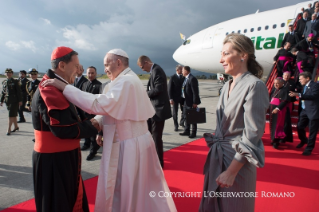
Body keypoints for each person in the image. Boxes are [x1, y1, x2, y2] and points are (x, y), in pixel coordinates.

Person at [42, 49, 177, 212]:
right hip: (130, 142)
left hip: (128, 146)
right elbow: (115, 109)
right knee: (133, 192)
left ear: (118, 63)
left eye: (107, 65)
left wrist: (65, 88)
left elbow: (100, 104)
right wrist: (100, 126)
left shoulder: (126, 81)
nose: (105, 69)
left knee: (126, 192)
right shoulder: (126, 79)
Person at [199, 33, 269, 212]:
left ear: (243, 55)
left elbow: (253, 133)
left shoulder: (255, 85)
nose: (221, 59)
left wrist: (231, 172)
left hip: (237, 163)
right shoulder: (227, 85)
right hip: (218, 156)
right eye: (221, 54)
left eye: (226, 54)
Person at [32, 46, 99, 212]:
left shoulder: (58, 85)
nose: (78, 71)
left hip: (62, 159)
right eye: (76, 66)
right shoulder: (49, 89)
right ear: (62, 66)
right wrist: (96, 124)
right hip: (54, 162)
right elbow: (64, 129)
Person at [137, 55, 172, 168]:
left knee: (156, 137)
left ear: (146, 62)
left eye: (142, 67)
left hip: (159, 110)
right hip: (154, 109)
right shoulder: (155, 71)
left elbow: (158, 89)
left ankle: (159, 163)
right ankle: (153, 159)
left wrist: (145, 94)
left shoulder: (157, 70)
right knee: (150, 135)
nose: (142, 69)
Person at [289, 72, 319, 156]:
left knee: (312, 131)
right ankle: (303, 140)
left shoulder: (315, 85)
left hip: (313, 111)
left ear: (307, 78)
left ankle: (309, 148)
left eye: (301, 79)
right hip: (304, 110)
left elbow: (314, 96)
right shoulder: (305, 86)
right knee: (299, 126)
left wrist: (298, 94)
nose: (299, 80)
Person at [80, 66, 102, 161]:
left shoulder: (99, 85)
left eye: (92, 73)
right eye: (89, 73)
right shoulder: (84, 84)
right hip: (85, 114)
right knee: (87, 134)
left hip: (94, 114)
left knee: (94, 136)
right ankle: (87, 145)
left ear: (96, 74)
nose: (90, 75)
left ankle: (93, 152)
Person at [179, 66, 201, 138]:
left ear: (186, 71)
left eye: (182, 70)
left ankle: (193, 132)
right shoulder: (185, 79)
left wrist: (195, 102)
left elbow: (195, 92)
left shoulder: (192, 79)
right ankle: (187, 130)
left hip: (191, 101)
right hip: (186, 101)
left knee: (192, 117)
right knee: (186, 116)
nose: (181, 72)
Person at [0, 68, 22, 135]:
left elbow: (19, 92)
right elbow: (3, 92)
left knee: (10, 115)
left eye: (9, 73)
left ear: (12, 74)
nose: (8, 74)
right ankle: (16, 126)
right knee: (13, 115)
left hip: (14, 100)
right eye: (7, 73)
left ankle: (9, 129)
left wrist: (20, 100)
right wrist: (1, 101)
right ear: (5, 74)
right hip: (8, 101)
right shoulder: (4, 82)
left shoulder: (15, 81)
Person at [269, 78, 289, 149]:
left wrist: (277, 108)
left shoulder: (285, 90)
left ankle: (276, 141)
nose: (275, 85)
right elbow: (271, 98)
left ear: (282, 83)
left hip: (279, 111)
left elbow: (285, 101)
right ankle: (272, 139)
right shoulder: (274, 89)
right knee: (272, 125)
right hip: (272, 109)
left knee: (277, 126)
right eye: (274, 83)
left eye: (277, 83)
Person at [168, 64, 185, 131]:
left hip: (182, 97)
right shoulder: (172, 77)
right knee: (175, 112)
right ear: (178, 70)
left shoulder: (183, 77)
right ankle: (176, 125)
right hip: (174, 98)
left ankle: (182, 122)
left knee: (184, 111)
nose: (182, 70)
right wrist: (170, 99)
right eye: (181, 69)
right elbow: (169, 89)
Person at [282, 71, 297, 143]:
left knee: (287, 120)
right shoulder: (279, 82)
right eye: (285, 75)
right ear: (283, 75)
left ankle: (285, 136)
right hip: (280, 102)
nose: (286, 77)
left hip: (288, 103)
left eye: (288, 75)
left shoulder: (292, 83)